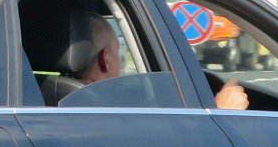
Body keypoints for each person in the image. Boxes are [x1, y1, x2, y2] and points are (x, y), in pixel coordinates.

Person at [77, 15, 249, 109]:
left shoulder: (63, 99)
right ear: (106, 59)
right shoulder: (103, 112)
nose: (121, 60)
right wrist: (221, 111)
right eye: (118, 50)